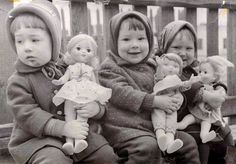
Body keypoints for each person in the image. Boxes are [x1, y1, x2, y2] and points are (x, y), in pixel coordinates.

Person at [5, 1, 118, 163]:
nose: (26, 47)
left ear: (54, 42)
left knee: (105, 155)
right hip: (38, 140)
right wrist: (63, 128)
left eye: (34, 40)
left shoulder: (71, 68)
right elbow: (27, 114)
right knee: (54, 160)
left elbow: (94, 92)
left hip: (77, 134)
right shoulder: (19, 81)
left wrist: (96, 109)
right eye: (19, 41)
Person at [98, 11, 200, 164]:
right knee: (147, 147)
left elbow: (167, 85)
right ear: (114, 42)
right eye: (126, 39)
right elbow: (122, 93)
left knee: (188, 143)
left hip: (155, 126)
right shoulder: (109, 68)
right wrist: (154, 101)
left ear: (149, 40)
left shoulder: (153, 64)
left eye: (141, 38)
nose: (135, 45)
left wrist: (176, 96)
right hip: (124, 128)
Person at [156, 20, 234, 164]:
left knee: (224, 133)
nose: (183, 53)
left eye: (189, 48)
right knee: (202, 140)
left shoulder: (195, 66)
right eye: (177, 47)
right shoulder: (167, 70)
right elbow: (183, 87)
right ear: (164, 48)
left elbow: (212, 75)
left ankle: (225, 156)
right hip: (180, 121)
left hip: (203, 116)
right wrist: (205, 95)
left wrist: (220, 88)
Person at [52, 34, 112, 155]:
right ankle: (69, 142)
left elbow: (95, 84)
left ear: (93, 54)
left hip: (85, 96)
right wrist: (60, 82)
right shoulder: (70, 68)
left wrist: (98, 97)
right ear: (70, 50)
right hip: (70, 94)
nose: (83, 52)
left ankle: (79, 141)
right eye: (78, 49)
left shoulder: (90, 70)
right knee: (69, 115)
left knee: (82, 116)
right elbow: (65, 78)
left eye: (88, 50)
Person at [178, 56, 234, 143]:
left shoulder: (215, 87)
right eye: (200, 72)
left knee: (205, 126)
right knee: (187, 119)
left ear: (214, 77)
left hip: (207, 116)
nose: (201, 74)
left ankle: (204, 136)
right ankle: (179, 125)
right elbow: (191, 87)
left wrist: (220, 90)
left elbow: (219, 96)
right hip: (195, 112)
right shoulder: (198, 83)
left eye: (205, 72)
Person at [152, 53, 200, 154]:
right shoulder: (161, 78)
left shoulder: (176, 80)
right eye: (166, 65)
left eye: (175, 66)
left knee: (171, 124)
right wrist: (160, 66)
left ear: (179, 70)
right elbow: (159, 78)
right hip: (159, 105)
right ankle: (161, 137)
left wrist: (190, 82)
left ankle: (170, 143)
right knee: (159, 120)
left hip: (172, 107)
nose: (171, 68)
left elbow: (182, 86)